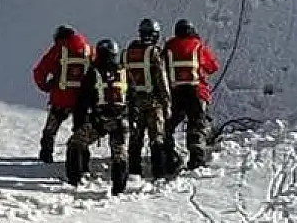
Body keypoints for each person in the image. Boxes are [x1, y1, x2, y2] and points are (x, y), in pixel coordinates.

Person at [66, 39, 130, 195]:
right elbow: (133, 96)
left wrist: (78, 123)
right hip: (121, 120)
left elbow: (82, 102)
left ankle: (73, 180)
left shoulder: (93, 73)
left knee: (75, 143)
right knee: (119, 153)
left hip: (100, 120)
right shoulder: (123, 72)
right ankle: (119, 188)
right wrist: (132, 118)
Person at [162, 19, 220, 174]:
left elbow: (161, 67)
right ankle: (196, 160)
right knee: (196, 126)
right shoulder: (197, 46)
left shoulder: (169, 46)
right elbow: (213, 67)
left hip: (175, 93)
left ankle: (168, 157)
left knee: (167, 126)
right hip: (196, 93)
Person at [31, 25, 92, 163]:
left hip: (61, 98)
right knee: (81, 132)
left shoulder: (58, 50)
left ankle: (46, 156)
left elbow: (39, 72)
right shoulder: (88, 49)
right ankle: (82, 161)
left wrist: (46, 87)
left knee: (50, 130)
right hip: (82, 100)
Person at [122, 18, 173, 179]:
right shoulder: (153, 53)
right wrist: (167, 103)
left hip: (132, 103)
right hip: (153, 102)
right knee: (156, 137)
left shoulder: (126, 54)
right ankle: (158, 171)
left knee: (135, 138)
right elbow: (161, 79)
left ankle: (133, 171)